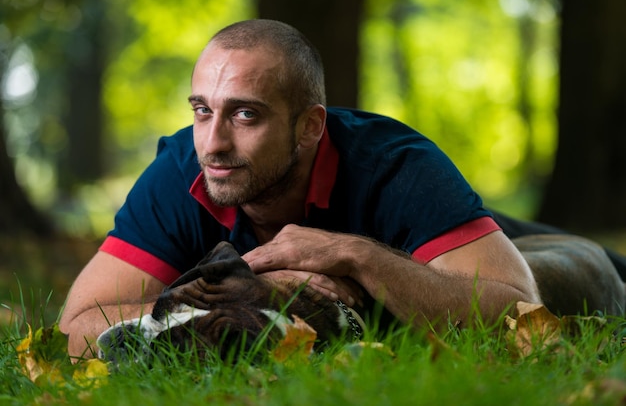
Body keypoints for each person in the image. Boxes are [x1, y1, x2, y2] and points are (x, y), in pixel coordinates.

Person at [59, 19, 546, 359]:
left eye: (245, 114)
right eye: (202, 110)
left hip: (468, 236)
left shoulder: (397, 164)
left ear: (310, 127)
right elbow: (77, 326)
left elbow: (520, 307)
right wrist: (246, 299)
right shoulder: (181, 170)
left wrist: (354, 254)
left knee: (586, 260)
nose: (213, 143)